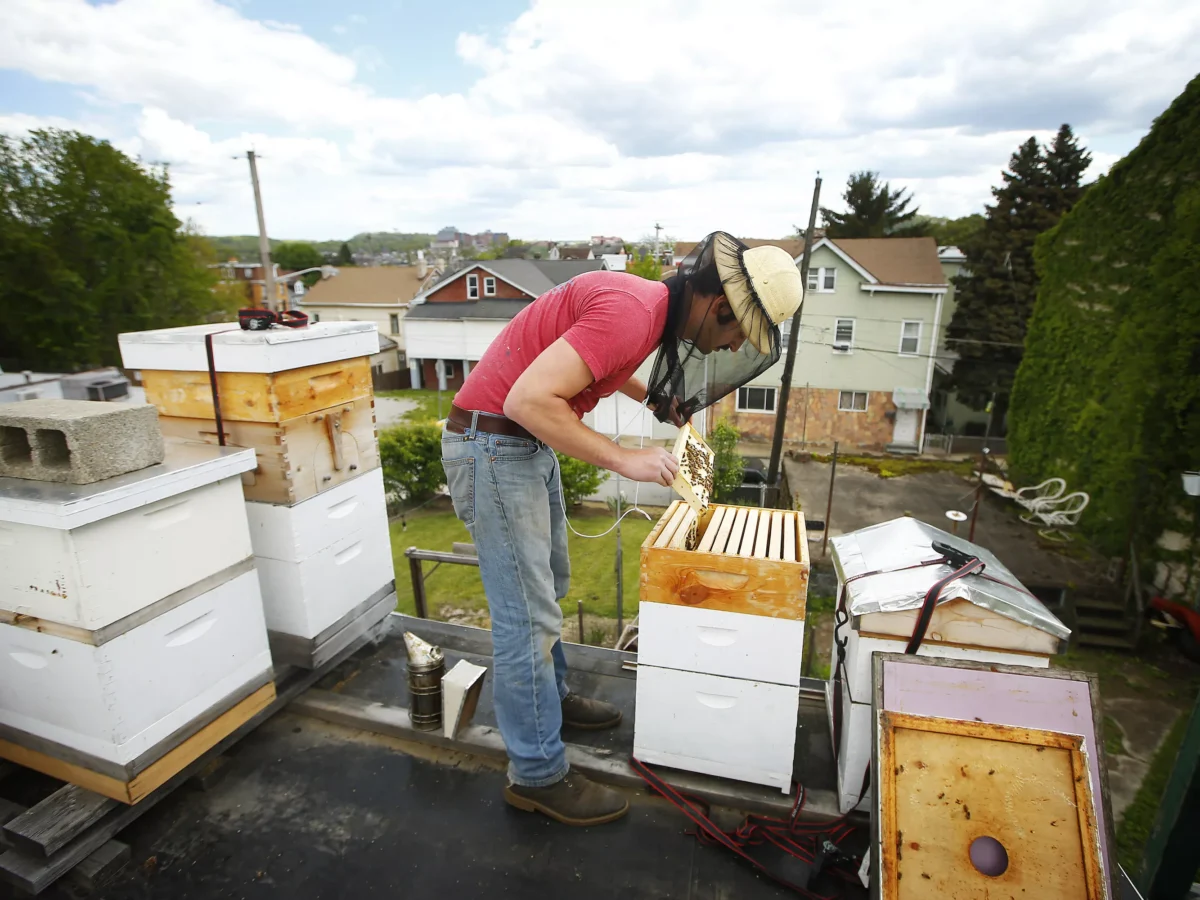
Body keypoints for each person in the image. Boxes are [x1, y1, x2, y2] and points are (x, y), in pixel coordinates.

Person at [440, 232, 804, 826]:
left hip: (518, 447)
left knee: (550, 588)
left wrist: (655, 401)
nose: (736, 345)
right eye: (740, 331)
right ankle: (536, 775)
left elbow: (596, 365)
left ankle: (551, 702)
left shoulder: (647, 307)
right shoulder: (633, 312)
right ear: (719, 306)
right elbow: (529, 400)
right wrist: (624, 459)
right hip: (496, 444)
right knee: (526, 620)